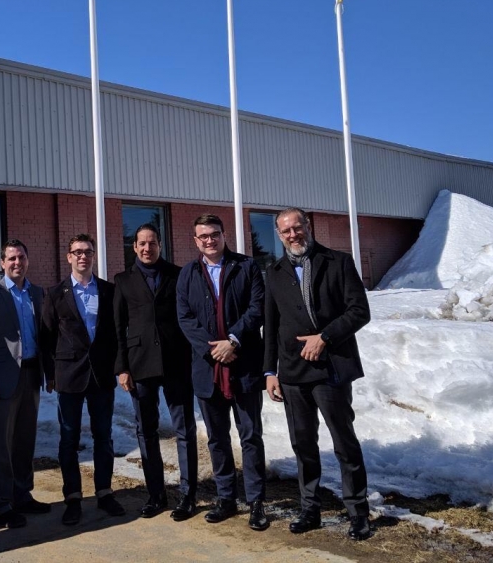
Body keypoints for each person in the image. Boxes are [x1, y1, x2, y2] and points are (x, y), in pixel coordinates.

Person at [263, 207, 373, 541]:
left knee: (344, 443)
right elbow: (271, 326)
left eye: (297, 228)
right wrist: (269, 371)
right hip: (293, 372)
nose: (292, 235)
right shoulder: (274, 272)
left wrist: (324, 337)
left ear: (307, 226)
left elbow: (360, 311)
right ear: (279, 235)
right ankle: (309, 509)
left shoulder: (338, 262)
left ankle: (358, 512)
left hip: (331, 368)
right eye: (285, 231)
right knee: (303, 445)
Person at [176, 214, 269, 531]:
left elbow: (257, 308)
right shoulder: (188, 273)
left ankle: (256, 501)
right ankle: (226, 498)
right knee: (217, 439)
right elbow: (185, 318)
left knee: (250, 436)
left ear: (224, 234)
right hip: (207, 370)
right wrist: (212, 349)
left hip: (244, 367)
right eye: (203, 236)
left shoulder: (247, 267)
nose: (209, 240)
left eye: (214, 234)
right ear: (195, 240)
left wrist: (233, 341)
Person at [113, 223, 198, 521]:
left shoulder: (178, 275)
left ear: (160, 245)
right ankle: (156, 494)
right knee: (146, 431)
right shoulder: (122, 280)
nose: (147, 248)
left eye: (152, 243)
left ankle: (188, 495)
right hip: (140, 364)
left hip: (176, 362)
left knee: (184, 430)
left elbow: (189, 316)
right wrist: (122, 368)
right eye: (142, 243)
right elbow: (118, 329)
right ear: (134, 247)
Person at [39, 234, 125, 526]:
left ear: (93, 256)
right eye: (77, 252)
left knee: (103, 436)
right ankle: (73, 497)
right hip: (69, 376)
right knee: (69, 438)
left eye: (87, 252)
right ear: (69, 257)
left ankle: (104, 492)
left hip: (101, 375)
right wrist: (51, 374)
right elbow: (47, 337)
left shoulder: (109, 291)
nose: (83, 257)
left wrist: (119, 366)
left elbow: (116, 333)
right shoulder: (55, 293)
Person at [0, 239, 52, 529]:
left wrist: (49, 373)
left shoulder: (37, 293)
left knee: (24, 439)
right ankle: (1, 504)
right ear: (2, 263)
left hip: (31, 375)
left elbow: (45, 337)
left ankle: (22, 494)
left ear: (27, 261)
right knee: (0, 444)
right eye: (12, 258)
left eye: (21, 257)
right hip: (2, 380)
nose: (17, 263)